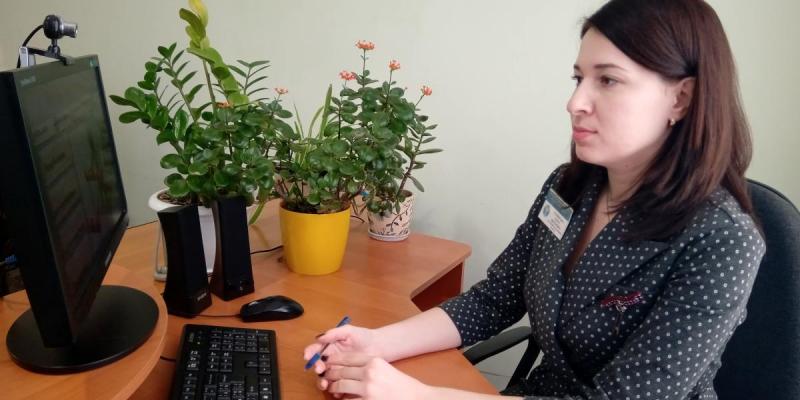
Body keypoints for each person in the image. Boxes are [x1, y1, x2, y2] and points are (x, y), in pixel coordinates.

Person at [303, 0, 766, 398]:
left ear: (681, 99)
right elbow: (494, 299)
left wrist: (419, 395)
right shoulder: (569, 189)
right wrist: (376, 342)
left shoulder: (722, 240)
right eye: (578, 78)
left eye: (608, 80)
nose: (575, 102)